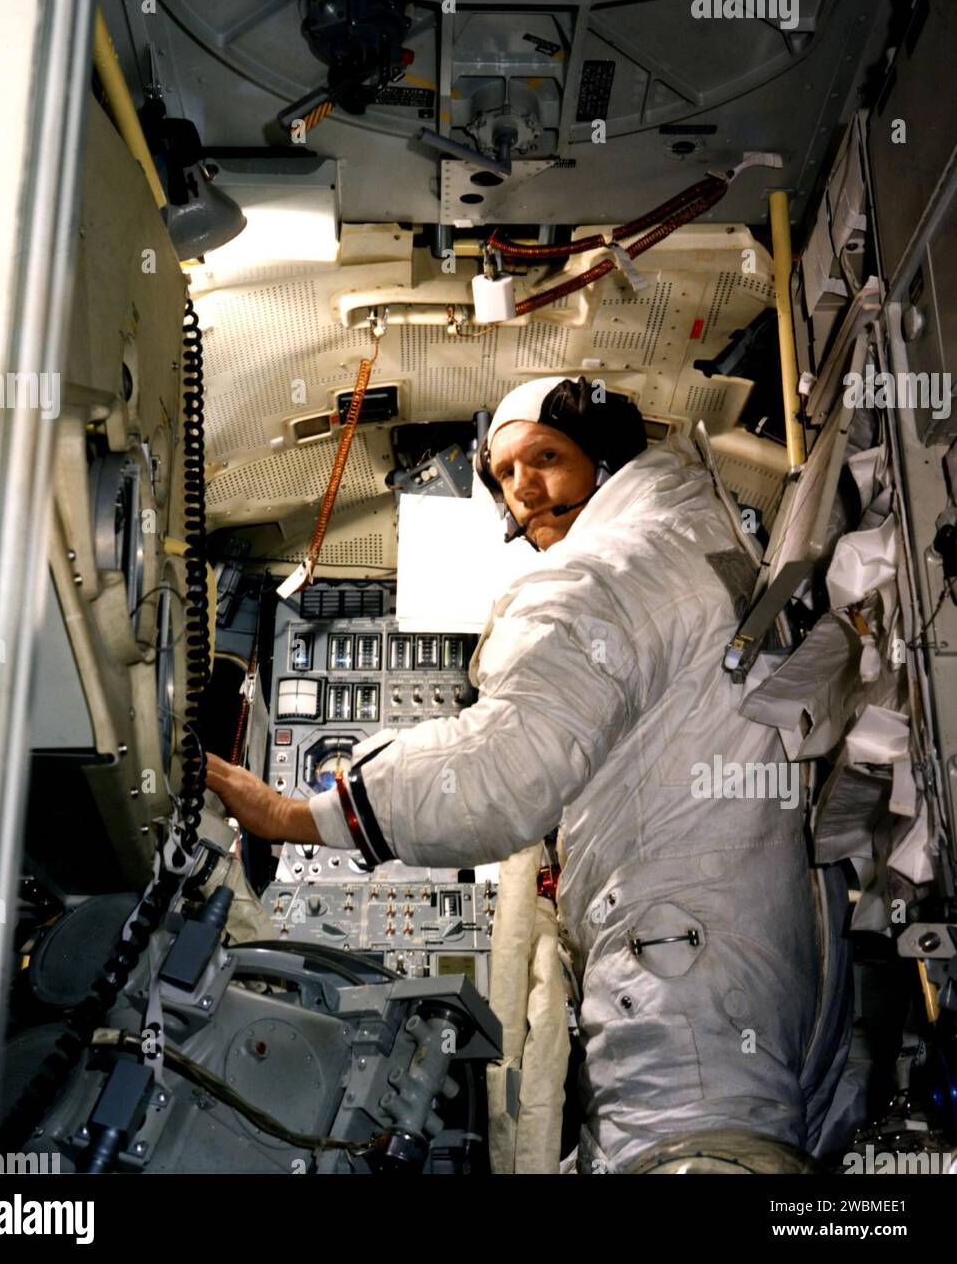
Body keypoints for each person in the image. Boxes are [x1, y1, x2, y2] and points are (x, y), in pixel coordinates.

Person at [206, 376, 849, 1172]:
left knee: (693, 1153)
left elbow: (500, 772)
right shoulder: (697, 534)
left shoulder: (606, 574)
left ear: (606, 452)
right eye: (506, 475)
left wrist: (296, 816)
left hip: (691, 975)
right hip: (758, 949)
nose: (526, 490)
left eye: (546, 457)